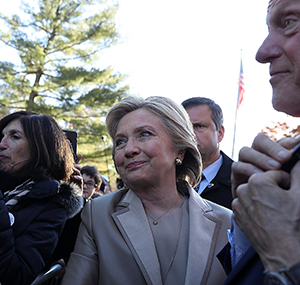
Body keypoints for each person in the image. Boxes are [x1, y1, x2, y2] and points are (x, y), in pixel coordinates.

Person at [62, 95, 231, 285]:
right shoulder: (98, 214)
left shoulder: (227, 223)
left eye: (144, 134)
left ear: (180, 150)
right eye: (120, 141)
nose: (129, 149)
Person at [218, 0, 300, 284]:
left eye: (289, 22)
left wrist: (287, 258)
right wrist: (248, 223)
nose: (262, 53)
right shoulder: (287, 163)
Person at [0, 111, 84, 285]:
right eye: (2, 136)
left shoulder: (53, 205)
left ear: (40, 147)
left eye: (15, 136)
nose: (2, 144)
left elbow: (16, 275)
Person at [182, 97, 233, 209]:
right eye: (185, 128)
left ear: (220, 133)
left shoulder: (241, 181)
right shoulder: (166, 178)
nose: (191, 134)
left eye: (199, 126)